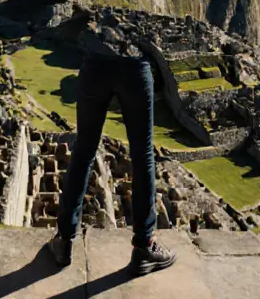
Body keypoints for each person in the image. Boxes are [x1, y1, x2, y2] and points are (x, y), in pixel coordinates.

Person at [45, 23, 177, 276]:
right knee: (142, 156)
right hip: (135, 66)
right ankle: (144, 246)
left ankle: (64, 240)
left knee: (84, 149)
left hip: (96, 63)